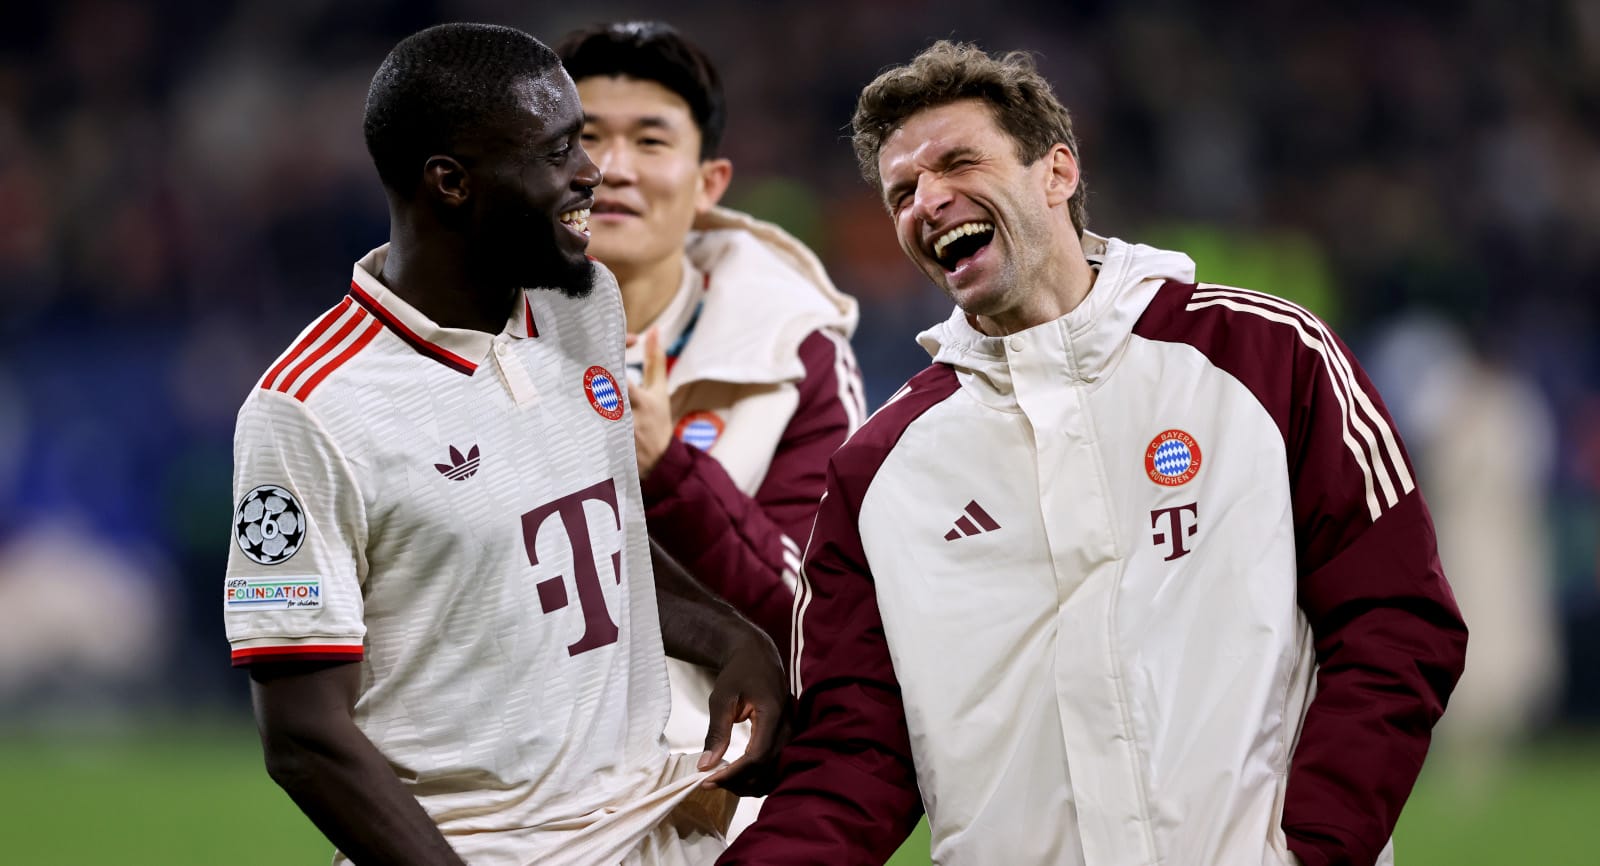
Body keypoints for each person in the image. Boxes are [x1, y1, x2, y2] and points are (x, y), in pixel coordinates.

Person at [722, 41, 1468, 866]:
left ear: (1058, 173)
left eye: (958, 163)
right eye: (902, 192)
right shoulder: (880, 472)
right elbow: (851, 758)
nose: (928, 201)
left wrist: (1315, 849)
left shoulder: (1266, 358)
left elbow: (1397, 621)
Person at [223, 23, 787, 866]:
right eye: (560, 149)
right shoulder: (310, 409)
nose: (591, 173)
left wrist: (733, 638)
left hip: (646, 832)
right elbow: (305, 738)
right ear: (451, 182)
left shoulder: (581, 300)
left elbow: (589, 541)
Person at [556, 21, 865, 836]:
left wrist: (669, 472)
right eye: (584, 139)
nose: (612, 168)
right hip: (483, 804)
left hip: (690, 810)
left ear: (709, 181)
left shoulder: (790, 352)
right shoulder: (460, 334)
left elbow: (815, 620)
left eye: (650, 140)